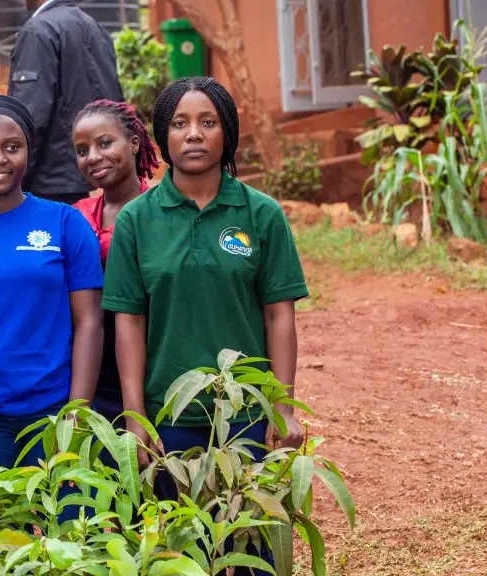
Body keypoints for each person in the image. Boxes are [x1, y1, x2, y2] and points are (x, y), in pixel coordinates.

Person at [101, 77, 308, 570]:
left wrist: (283, 405)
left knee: (254, 549)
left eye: (208, 122)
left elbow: (280, 314)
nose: (193, 134)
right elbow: (128, 322)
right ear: (162, 137)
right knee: (178, 551)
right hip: (167, 421)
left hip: (246, 418)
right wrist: (134, 414)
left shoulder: (261, 214)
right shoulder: (137, 220)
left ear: (227, 134)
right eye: (180, 124)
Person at [0, 95, 103, 485]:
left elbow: (90, 323)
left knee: (67, 534)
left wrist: (77, 411)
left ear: (28, 155)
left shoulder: (65, 224)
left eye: (11, 147)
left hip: (53, 410)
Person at [70, 99, 159, 425]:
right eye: (82, 150)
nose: (93, 157)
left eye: (105, 143)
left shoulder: (162, 212)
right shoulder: (78, 215)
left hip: (151, 361)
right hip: (93, 364)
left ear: (134, 144)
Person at [7, 0, 123, 205]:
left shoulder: (38, 31)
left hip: (45, 181)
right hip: (82, 172)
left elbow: (29, 117)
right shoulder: (93, 26)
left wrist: (10, 179)